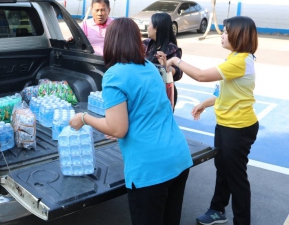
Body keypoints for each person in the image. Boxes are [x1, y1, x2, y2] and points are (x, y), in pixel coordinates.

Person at [69, 17, 193, 225]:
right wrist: (119, 125)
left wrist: (83, 118)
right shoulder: (149, 67)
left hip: (151, 168)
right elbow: (149, 109)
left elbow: (118, 129)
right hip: (178, 157)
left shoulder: (114, 75)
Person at [164, 16, 259, 225]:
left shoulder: (240, 60)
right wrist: (204, 104)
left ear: (238, 35)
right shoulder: (236, 57)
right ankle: (217, 210)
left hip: (239, 128)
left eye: (225, 31)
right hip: (227, 125)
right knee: (223, 169)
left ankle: (242, 221)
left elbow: (200, 76)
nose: (222, 35)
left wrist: (176, 61)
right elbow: (225, 91)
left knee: (236, 177)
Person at [143, 13, 183, 108]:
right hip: (145, 91)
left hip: (164, 93)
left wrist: (166, 66)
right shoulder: (145, 44)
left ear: (156, 28)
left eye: (149, 25)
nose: (147, 28)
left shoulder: (173, 49)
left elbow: (178, 73)